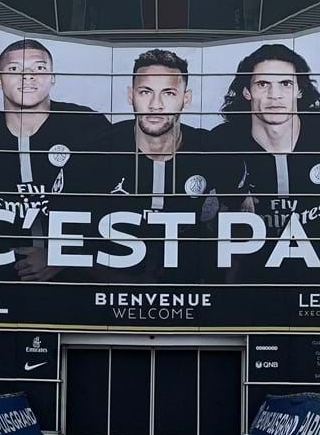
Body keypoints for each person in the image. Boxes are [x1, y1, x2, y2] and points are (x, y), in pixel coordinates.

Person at [212, 43, 320, 283]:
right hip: (257, 266)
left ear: (299, 90)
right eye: (263, 84)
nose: (275, 95)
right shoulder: (224, 140)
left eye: (286, 84)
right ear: (246, 92)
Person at [0, 38, 108, 281]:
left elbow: (113, 208)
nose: (27, 76)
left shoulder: (88, 127)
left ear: (52, 77)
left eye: (39, 68)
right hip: (0, 279)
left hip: (74, 283)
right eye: (14, 69)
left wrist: (60, 256)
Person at [76, 49, 219, 284]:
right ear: (131, 95)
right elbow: (71, 235)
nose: (156, 105)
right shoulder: (98, 150)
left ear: (186, 98)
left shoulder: (208, 148)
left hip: (187, 288)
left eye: (169, 93)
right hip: (110, 287)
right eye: (145, 92)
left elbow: (237, 216)